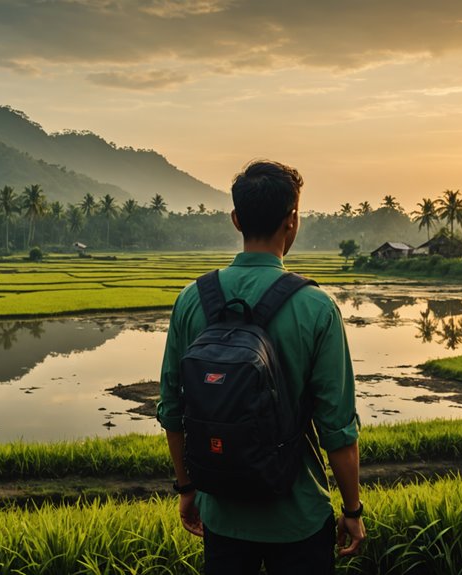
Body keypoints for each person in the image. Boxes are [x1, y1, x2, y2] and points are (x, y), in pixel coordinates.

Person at [158, 160, 365, 574]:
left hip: (223, 515)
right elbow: (338, 429)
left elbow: (172, 410)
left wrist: (186, 488)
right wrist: (352, 509)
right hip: (300, 517)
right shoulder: (316, 307)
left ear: (236, 219)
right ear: (293, 220)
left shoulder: (192, 299)